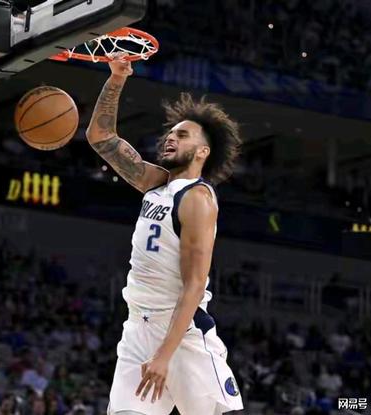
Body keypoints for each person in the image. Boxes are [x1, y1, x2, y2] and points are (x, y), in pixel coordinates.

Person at [86, 52, 243, 414]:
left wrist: (164, 355)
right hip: (138, 327)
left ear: (203, 151)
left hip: (182, 336)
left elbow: (195, 285)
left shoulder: (198, 199)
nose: (170, 138)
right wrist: (117, 78)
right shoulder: (156, 182)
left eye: (182, 135)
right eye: (170, 134)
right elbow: (101, 137)